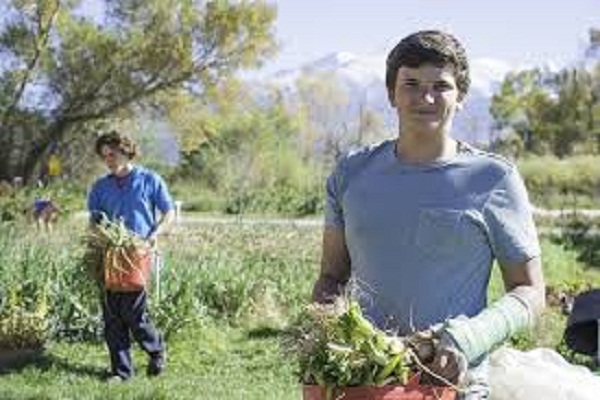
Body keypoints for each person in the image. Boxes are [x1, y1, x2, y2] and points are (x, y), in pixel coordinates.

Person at [312, 30, 545, 399]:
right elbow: (331, 276)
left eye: (442, 85)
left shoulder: (494, 178)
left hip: (453, 385)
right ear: (391, 93)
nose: (426, 97)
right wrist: (325, 335)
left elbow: (531, 291)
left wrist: (464, 339)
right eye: (412, 83)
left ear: (462, 96)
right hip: (362, 381)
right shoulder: (351, 174)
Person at [87, 131, 175, 382]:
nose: (109, 160)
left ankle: (156, 349)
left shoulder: (149, 179)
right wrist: (96, 243)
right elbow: (94, 221)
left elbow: (169, 213)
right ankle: (122, 372)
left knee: (134, 314)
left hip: (139, 253)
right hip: (110, 254)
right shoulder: (100, 187)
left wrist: (156, 234)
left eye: (112, 154)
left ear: (126, 151)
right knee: (112, 315)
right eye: (104, 156)